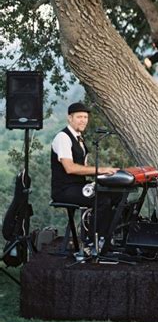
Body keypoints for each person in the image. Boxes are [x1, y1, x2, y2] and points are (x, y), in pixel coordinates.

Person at [51, 102, 119, 244]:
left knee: (116, 195)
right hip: (64, 189)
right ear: (70, 118)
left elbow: (83, 168)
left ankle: (109, 236)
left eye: (85, 117)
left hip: (77, 186)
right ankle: (93, 241)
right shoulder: (63, 137)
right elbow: (70, 168)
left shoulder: (79, 138)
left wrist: (105, 176)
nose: (83, 120)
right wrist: (100, 170)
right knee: (102, 200)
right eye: (79, 117)